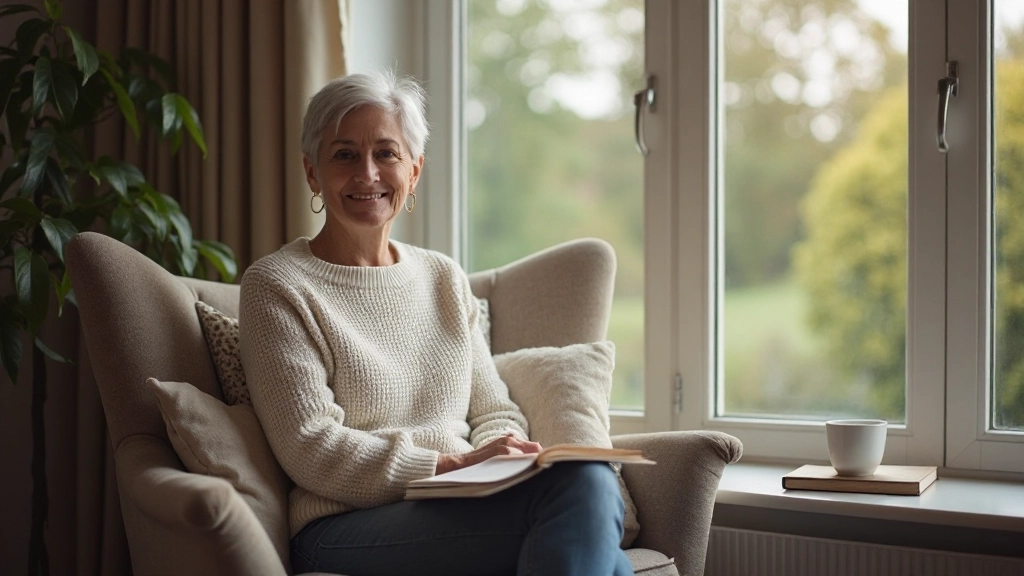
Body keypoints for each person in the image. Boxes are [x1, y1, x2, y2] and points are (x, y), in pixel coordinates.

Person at [238, 71, 633, 576]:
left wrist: (500, 455)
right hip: (343, 526)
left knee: (587, 482)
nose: (367, 173)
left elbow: (495, 410)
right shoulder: (276, 285)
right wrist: (449, 466)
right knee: (587, 498)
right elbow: (311, 446)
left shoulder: (443, 277)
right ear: (312, 172)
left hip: (462, 500)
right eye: (344, 155)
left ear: (415, 170)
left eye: (386, 153)